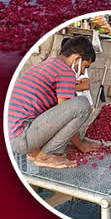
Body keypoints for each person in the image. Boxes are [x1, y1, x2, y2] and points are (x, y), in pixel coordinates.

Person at [8, 36, 100, 169]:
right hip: (22, 138)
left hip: (12, 135)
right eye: (85, 66)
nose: (82, 72)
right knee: (82, 104)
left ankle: (35, 153)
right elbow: (66, 114)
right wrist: (80, 145)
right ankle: (44, 156)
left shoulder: (46, 65)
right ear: (77, 58)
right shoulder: (65, 72)